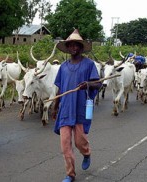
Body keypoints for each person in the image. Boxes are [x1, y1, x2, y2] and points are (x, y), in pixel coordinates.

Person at [52, 29, 102, 182]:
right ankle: (70, 174)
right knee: (65, 145)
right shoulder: (63, 67)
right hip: (65, 109)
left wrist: (88, 84)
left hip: (80, 108)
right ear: (67, 48)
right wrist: (55, 106)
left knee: (80, 141)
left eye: (76, 45)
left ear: (81, 47)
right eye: (70, 45)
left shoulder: (88, 64)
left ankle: (86, 153)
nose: (73, 48)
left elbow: (98, 83)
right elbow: (59, 88)